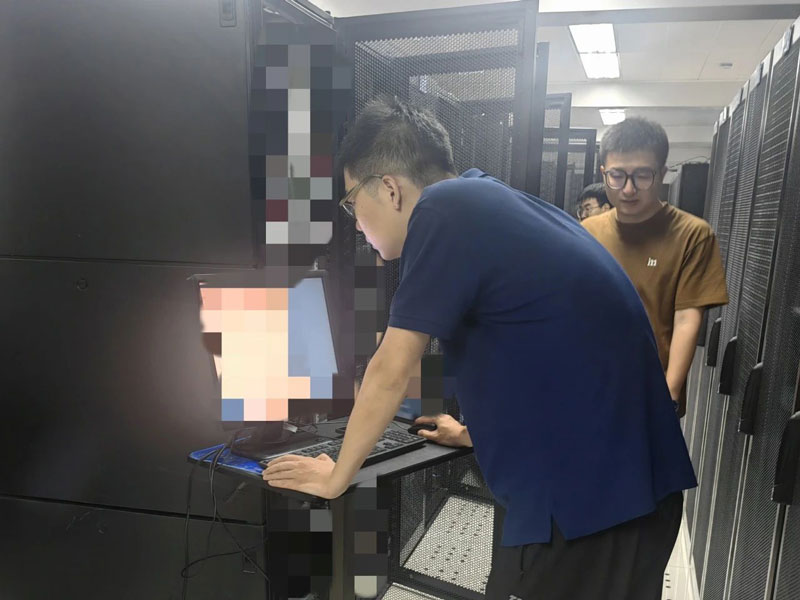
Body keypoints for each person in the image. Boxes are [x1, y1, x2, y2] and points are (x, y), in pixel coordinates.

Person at [261, 98, 697, 599]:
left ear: (390, 189)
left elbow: (391, 369)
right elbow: (550, 353)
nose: (356, 224)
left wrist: (337, 475)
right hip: (624, 492)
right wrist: (472, 433)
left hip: (592, 508)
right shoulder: (486, 200)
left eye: (352, 203)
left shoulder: (443, 210)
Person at [582, 118, 728, 418]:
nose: (628, 189)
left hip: (650, 392)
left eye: (642, 176)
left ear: (662, 173)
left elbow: (687, 318)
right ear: (603, 172)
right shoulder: (588, 232)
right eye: (617, 176)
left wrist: (669, 394)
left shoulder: (691, 234)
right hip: (590, 384)